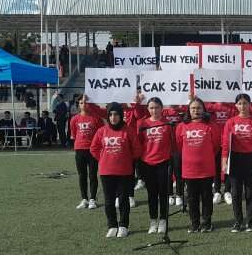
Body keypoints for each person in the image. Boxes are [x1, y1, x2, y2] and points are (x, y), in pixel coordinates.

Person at [90, 102, 142, 238]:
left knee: (123, 200)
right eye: (111, 115)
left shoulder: (128, 130)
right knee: (109, 201)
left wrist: (127, 159)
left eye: (116, 114)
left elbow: (137, 149)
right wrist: (103, 159)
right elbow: (94, 148)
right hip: (106, 171)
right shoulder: (101, 131)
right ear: (108, 116)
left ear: (121, 115)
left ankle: (123, 225)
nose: (113, 117)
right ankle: (112, 225)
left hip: (124, 172)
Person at [176, 98, 221, 233]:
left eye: (199, 108)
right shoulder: (181, 126)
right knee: (192, 198)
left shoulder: (211, 125)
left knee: (207, 197)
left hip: (206, 168)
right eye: (193, 108)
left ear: (204, 110)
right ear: (188, 111)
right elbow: (179, 146)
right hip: (189, 170)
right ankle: (194, 224)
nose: (196, 110)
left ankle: (207, 223)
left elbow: (216, 145)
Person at [222, 94, 252, 233]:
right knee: (236, 193)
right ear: (236, 105)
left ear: (250, 104)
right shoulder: (230, 122)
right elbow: (225, 144)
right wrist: (224, 161)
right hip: (235, 159)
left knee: (250, 192)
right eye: (239, 103)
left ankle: (250, 222)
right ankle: (238, 221)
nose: (242, 106)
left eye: (245, 103)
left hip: (251, 158)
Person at [137, 97, 175, 235]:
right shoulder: (143, 124)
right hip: (147, 163)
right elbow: (139, 143)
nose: (154, 110)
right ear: (148, 109)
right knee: (151, 194)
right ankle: (153, 221)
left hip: (163, 163)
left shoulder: (168, 123)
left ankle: (163, 220)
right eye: (151, 108)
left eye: (157, 107)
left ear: (162, 108)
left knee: (163, 194)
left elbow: (173, 143)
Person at [69, 95, 105, 210]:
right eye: (81, 103)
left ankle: (92, 199)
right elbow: (74, 134)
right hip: (80, 150)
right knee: (82, 175)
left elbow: (102, 134)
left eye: (86, 102)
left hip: (92, 150)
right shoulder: (74, 119)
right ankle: (84, 199)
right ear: (78, 105)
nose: (84, 105)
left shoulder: (96, 118)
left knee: (93, 175)